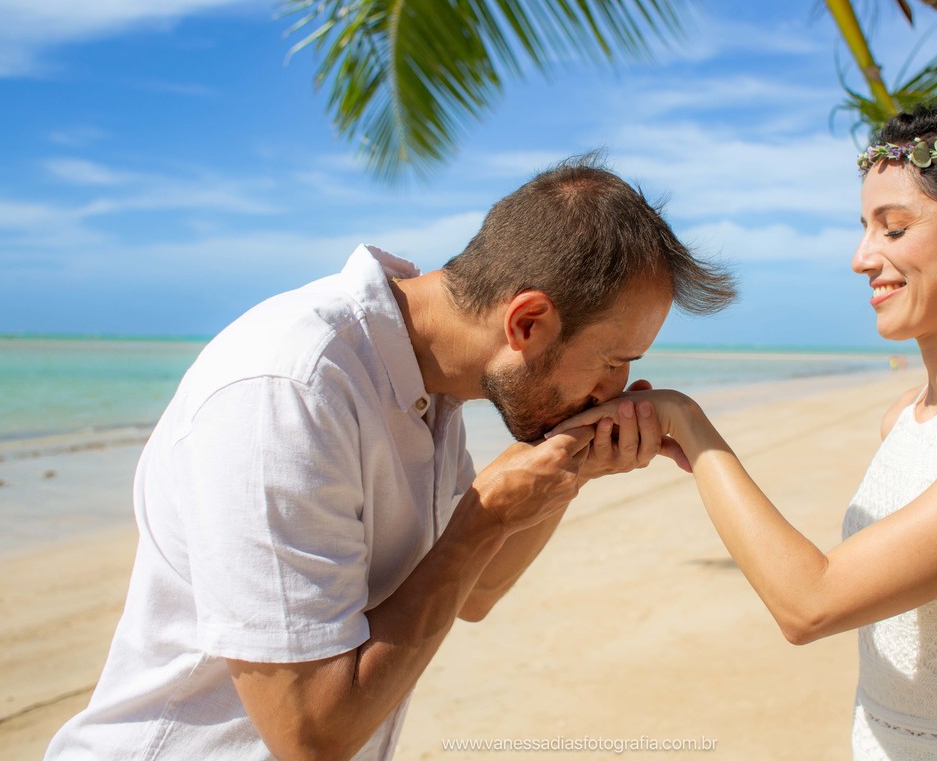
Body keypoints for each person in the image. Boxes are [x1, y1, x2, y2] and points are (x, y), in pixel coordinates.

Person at [45, 156, 736, 761]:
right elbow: (311, 735)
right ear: (526, 322)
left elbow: (477, 592)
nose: (612, 390)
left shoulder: (428, 389)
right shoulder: (292, 387)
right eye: (614, 361)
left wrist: (569, 473)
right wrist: (484, 516)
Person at [553, 105, 937, 759]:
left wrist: (690, 427)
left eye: (895, 229)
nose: (860, 258)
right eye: (864, 229)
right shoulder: (903, 416)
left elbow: (810, 603)